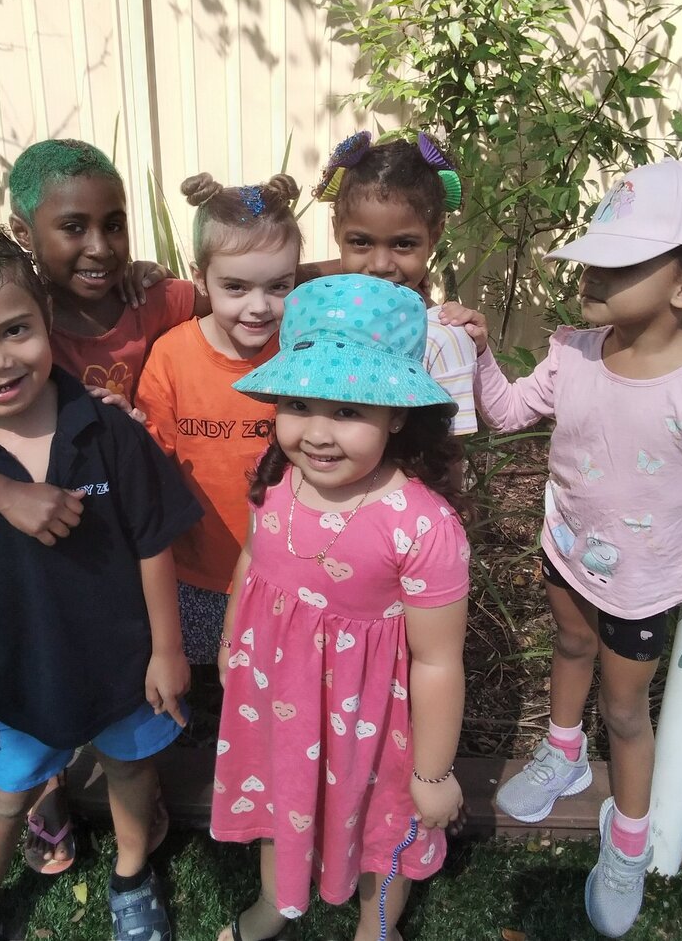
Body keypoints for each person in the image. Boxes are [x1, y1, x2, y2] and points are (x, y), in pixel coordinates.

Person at [0, 138, 201, 871]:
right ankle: (50, 788)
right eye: (74, 227)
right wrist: (4, 493)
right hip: (30, 541)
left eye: (114, 224)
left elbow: (244, 288)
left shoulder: (148, 298)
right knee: (43, 692)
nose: (101, 246)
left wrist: (374, 271)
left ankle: (122, 819)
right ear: (26, 234)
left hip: (115, 525)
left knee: (122, 723)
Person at [455, 159, 682, 938]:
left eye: (621, 263)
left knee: (626, 708)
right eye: (593, 257)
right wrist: (481, 352)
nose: (592, 273)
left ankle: (628, 839)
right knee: (569, 644)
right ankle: (563, 751)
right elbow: (504, 412)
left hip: (644, 583)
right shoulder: (573, 351)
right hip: (566, 548)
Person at [211, 274, 471, 941]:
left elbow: (438, 660)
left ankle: (375, 927)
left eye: (349, 410)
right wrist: (232, 638)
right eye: (299, 403)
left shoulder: (420, 525)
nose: (318, 434)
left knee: (383, 824)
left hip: (369, 720)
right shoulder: (278, 472)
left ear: (396, 414)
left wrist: (433, 773)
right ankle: (274, 903)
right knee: (278, 797)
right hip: (274, 692)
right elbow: (253, 557)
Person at [136, 173, 303, 664]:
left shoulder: (303, 353)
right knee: (201, 680)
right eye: (235, 287)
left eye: (279, 286)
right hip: (195, 571)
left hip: (286, 571)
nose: (259, 307)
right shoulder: (171, 357)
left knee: (275, 678)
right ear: (199, 277)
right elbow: (150, 459)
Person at [315, 130, 479, 438]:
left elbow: (449, 452)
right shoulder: (319, 319)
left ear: (435, 235)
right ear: (337, 230)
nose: (380, 265)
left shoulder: (442, 337)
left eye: (403, 244)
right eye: (361, 242)